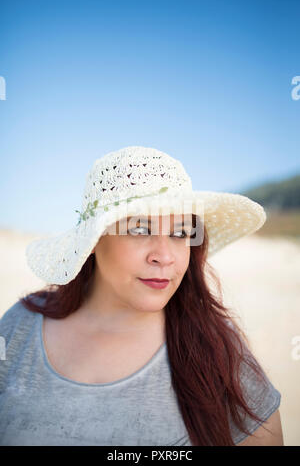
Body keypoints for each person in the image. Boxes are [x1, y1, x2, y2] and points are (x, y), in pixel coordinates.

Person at [0, 145, 283, 446]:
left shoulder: (213, 345)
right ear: (94, 240)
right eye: (139, 229)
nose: (164, 256)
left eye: (179, 234)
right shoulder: (20, 327)